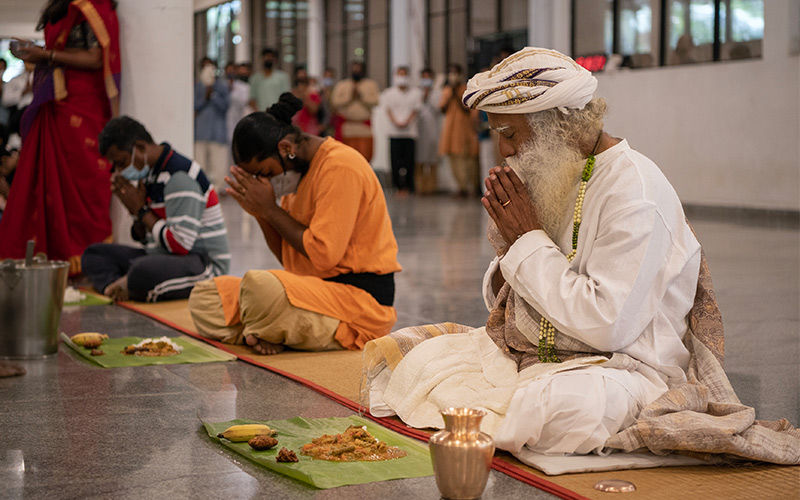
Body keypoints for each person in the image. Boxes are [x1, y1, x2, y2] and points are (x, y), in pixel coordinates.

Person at [364, 47, 730, 458]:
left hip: (625, 365)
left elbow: (609, 326)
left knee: (550, 410)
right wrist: (511, 244)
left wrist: (526, 238)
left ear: (557, 124)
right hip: (544, 354)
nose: (503, 151)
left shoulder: (634, 193)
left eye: (510, 134)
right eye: (498, 135)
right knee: (411, 359)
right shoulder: (557, 171)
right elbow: (506, 296)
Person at [189, 93, 401, 356]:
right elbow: (291, 262)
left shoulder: (340, 166)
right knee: (206, 296)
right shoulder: (294, 174)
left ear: (286, 148)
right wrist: (261, 213)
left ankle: (267, 328)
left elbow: (323, 256)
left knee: (260, 288)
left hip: (359, 301)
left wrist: (269, 209)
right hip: (312, 292)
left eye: (265, 173)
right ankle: (267, 330)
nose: (266, 182)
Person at [0, 0, 120, 275]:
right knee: (48, 181)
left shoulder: (92, 7)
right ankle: (51, 256)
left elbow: (95, 57)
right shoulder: (63, 7)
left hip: (83, 104)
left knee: (86, 180)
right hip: (57, 102)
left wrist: (48, 56)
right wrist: (37, 52)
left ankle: (88, 257)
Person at [82, 116, 230, 302]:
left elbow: (180, 245)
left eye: (121, 162)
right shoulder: (151, 174)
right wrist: (136, 212)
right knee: (94, 255)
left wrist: (141, 210)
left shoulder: (179, 176)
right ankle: (120, 288)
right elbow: (149, 240)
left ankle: (131, 285)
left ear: (141, 148)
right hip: (163, 256)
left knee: (142, 270)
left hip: (202, 263)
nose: (118, 171)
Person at [438, 63, 479, 197]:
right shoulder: (446, 90)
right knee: (453, 159)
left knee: (466, 159)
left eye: (456, 73)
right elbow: (442, 109)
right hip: (450, 130)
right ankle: (460, 187)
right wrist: (451, 93)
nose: (453, 76)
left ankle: (469, 187)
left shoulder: (466, 89)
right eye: (451, 73)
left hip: (464, 130)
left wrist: (456, 93)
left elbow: (467, 109)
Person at [381, 66, 422, 196]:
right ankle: (397, 187)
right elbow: (388, 110)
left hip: (410, 132)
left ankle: (409, 187)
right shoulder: (388, 93)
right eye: (399, 75)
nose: (402, 78)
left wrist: (406, 122)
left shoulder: (415, 93)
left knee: (409, 161)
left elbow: (415, 110)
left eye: (404, 75)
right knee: (395, 161)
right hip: (394, 132)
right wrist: (396, 122)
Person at [330, 61, 379, 162]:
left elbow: (376, 101)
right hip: (347, 128)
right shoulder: (342, 84)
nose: (356, 71)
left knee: (364, 159)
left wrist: (361, 96)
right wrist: (350, 97)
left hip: (364, 129)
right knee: (346, 160)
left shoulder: (370, 84)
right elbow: (335, 102)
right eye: (354, 69)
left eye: (358, 69)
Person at [194, 57, 230, 192]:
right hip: (201, 132)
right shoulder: (198, 86)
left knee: (219, 166)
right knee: (200, 165)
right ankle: (201, 189)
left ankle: (217, 191)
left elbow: (225, 106)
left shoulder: (222, 86)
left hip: (217, 133)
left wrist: (213, 94)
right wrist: (205, 94)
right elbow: (195, 106)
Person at [414, 67, 441, 195]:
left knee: (431, 160)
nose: (426, 80)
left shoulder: (437, 93)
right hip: (419, 131)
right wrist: (422, 96)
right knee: (419, 160)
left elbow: (438, 109)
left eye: (428, 78)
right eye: (423, 77)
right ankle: (420, 187)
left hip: (433, 130)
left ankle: (431, 187)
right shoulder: (415, 93)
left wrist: (428, 96)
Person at [225, 62, 253, 170]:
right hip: (229, 128)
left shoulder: (246, 87)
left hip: (243, 126)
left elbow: (245, 102)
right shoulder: (226, 85)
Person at [248, 47, 291, 112]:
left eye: (271, 57)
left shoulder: (283, 77)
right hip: (261, 114)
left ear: (275, 60)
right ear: (261, 59)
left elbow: (286, 98)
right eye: (266, 57)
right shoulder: (255, 78)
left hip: (278, 115)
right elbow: (252, 99)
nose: (268, 59)